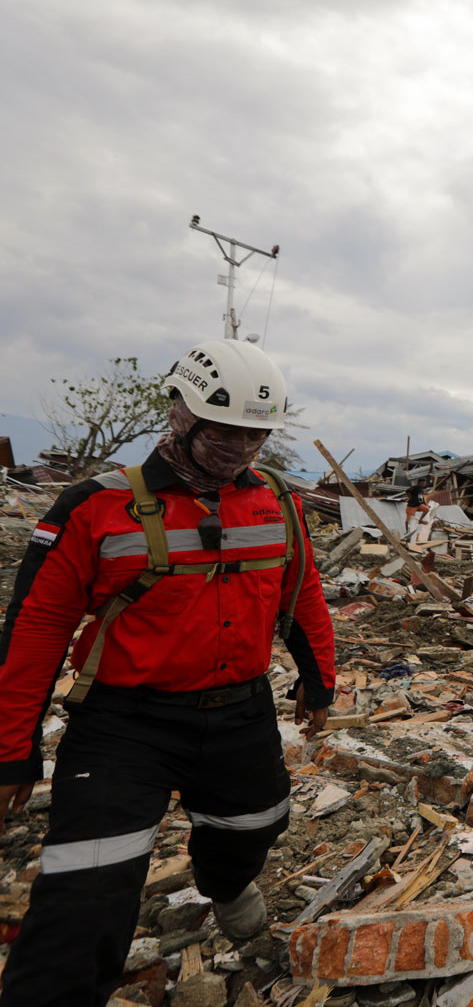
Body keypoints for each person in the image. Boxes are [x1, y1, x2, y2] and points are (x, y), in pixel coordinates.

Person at [0, 339, 337, 1005]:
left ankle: (224, 880)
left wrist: (317, 679)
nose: (241, 450)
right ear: (179, 414)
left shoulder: (277, 502)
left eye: (255, 436)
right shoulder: (93, 508)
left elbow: (301, 594)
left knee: (258, 822)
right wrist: (12, 752)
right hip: (124, 724)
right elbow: (34, 630)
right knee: (84, 898)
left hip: (240, 710)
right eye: (225, 434)